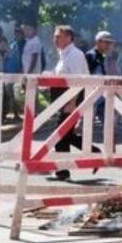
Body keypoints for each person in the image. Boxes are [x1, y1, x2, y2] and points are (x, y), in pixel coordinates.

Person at [52, 25, 91, 181]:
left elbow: (78, 81)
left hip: (72, 100)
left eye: (58, 36)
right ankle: (94, 152)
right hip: (64, 101)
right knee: (66, 135)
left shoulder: (75, 55)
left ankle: (62, 171)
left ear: (69, 38)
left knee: (60, 135)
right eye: (55, 36)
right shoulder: (63, 54)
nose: (55, 39)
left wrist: (72, 103)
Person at [3, 26, 25, 122]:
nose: (17, 35)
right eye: (16, 34)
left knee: (15, 93)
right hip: (9, 72)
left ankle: (17, 113)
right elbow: (7, 57)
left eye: (19, 34)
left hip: (18, 72)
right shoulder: (13, 44)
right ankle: (14, 113)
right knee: (10, 93)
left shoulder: (24, 44)